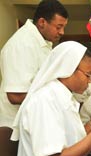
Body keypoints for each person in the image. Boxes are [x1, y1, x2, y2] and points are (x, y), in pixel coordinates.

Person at [11, 41, 91, 156]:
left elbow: (74, 143)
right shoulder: (44, 101)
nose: (90, 80)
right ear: (68, 69)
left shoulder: (64, 97)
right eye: (88, 75)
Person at [0, 0, 68, 129]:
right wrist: (57, 100)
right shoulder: (22, 45)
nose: (62, 32)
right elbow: (15, 96)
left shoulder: (42, 42)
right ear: (42, 22)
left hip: (33, 119)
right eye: (58, 27)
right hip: (16, 125)